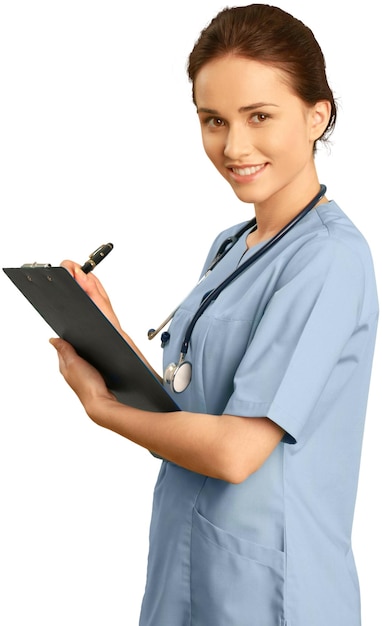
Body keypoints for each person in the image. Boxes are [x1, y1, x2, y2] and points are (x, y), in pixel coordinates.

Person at [50, 4, 379, 625]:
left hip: (273, 591)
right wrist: (109, 333)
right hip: (188, 565)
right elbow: (191, 414)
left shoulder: (331, 260)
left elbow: (235, 452)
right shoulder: (232, 245)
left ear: (318, 115)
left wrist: (104, 409)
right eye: (214, 120)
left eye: (260, 117)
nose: (234, 146)